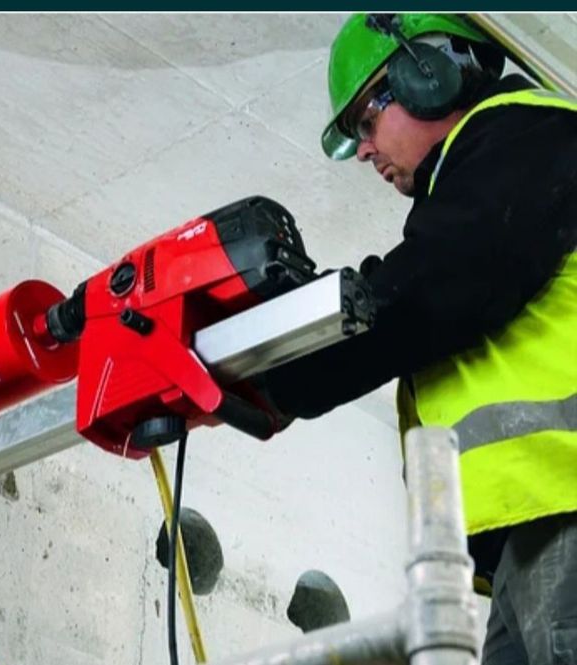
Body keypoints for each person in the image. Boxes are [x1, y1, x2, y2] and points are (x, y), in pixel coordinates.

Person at [259, 13, 577, 664]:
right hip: (527, 531)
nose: (365, 150)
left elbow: (429, 291)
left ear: (426, 74)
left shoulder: (531, 131)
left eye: (366, 120)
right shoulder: (491, 176)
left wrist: (281, 375)